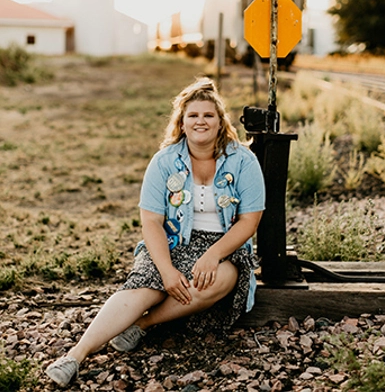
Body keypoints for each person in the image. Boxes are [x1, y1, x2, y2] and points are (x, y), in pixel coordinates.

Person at [45, 76, 266, 387]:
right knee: (143, 288)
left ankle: (142, 325)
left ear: (220, 122)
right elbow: (151, 221)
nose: (200, 121)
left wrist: (213, 255)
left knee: (213, 282)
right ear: (182, 122)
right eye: (193, 115)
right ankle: (75, 355)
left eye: (208, 115)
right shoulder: (164, 162)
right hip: (173, 240)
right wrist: (166, 270)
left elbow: (249, 221)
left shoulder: (243, 161)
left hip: (223, 246)